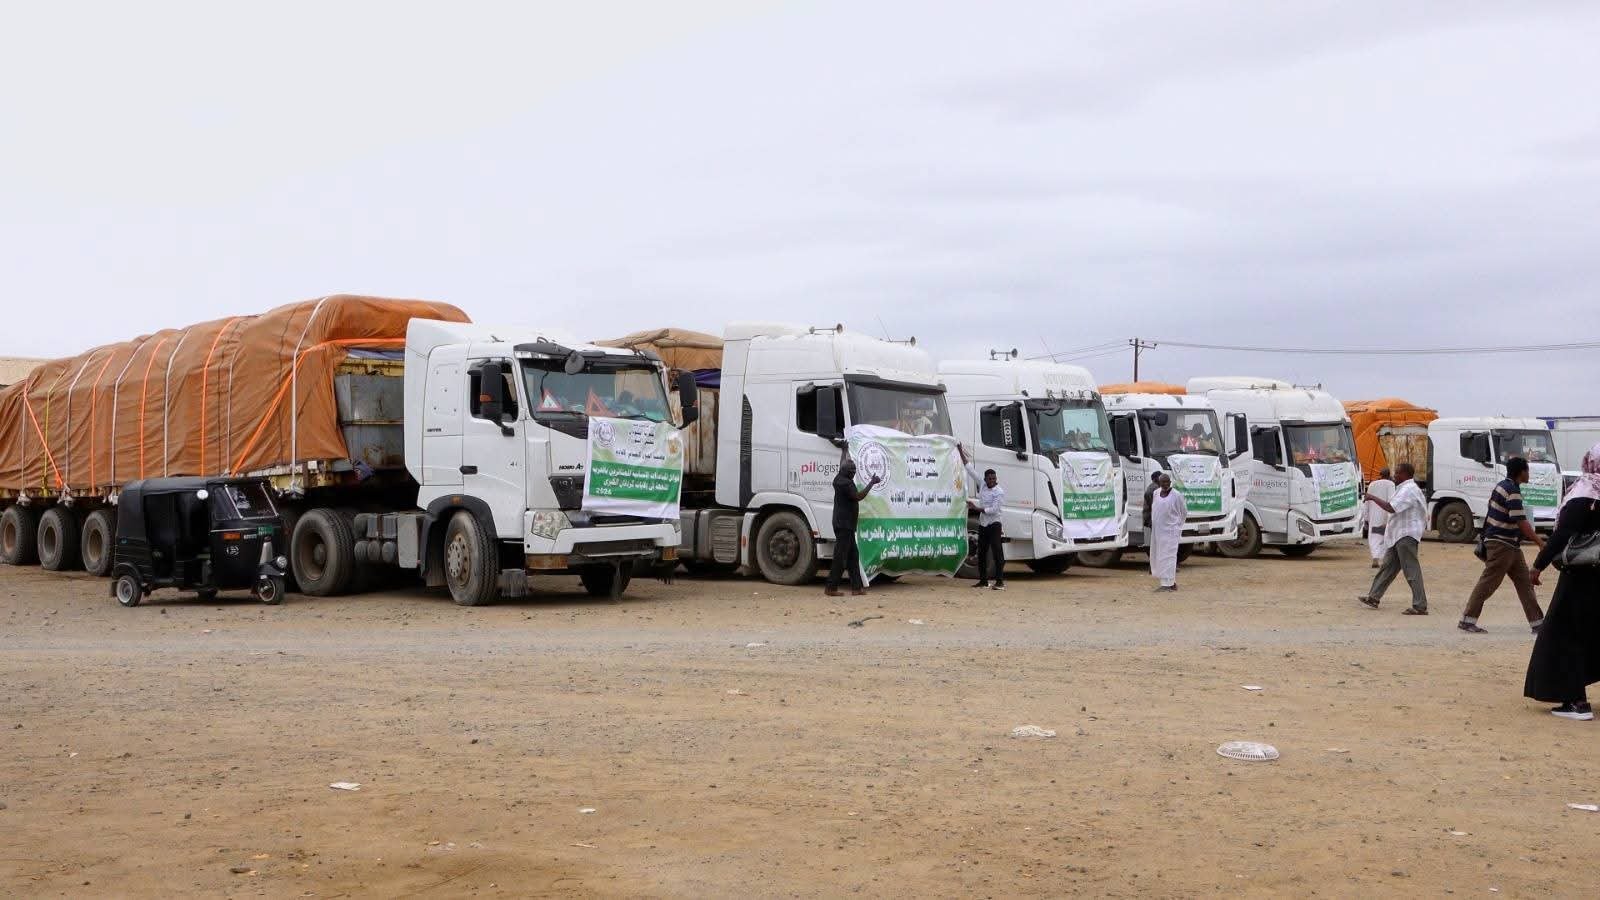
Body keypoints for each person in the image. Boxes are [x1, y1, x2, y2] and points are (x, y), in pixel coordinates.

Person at [1524, 443, 1600, 720]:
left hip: (1582, 577)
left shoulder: (1585, 493)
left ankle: (1576, 702)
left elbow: (1563, 534)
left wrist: (1538, 565)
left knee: (1566, 635)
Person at [1458, 456, 1546, 634]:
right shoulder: (1512, 491)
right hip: (1502, 544)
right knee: (1488, 583)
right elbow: (1521, 521)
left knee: (1524, 584)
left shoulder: (1502, 486)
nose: (1529, 474)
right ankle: (1467, 620)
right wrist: (1540, 542)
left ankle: (1538, 623)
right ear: (1521, 472)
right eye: (1527, 470)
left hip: (1507, 544)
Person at [1357, 462, 1429, 614]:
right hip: (1398, 535)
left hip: (1406, 535)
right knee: (1387, 568)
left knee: (1411, 570)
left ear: (1405, 474)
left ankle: (1420, 606)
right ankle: (1373, 597)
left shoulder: (1409, 490)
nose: (1394, 476)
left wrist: (1371, 497)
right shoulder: (1403, 488)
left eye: (1397, 473)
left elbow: (1391, 507)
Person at [824, 459, 881, 597]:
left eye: (854, 470)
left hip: (846, 525)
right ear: (846, 472)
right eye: (852, 471)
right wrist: (871, 483)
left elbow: (841, 463)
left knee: (853, 557)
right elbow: (858, 496)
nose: (854, 473)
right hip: (844, 525)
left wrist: (844, 450)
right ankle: (831, 588)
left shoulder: (839, 477)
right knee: (840, 557)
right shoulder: (845, 483)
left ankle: (856, 588)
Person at [958, 444, 1006, 590]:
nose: (991, 480)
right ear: (985, 479)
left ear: (996, 479)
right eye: (989, 478)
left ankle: (1000, 582)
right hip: (983, 524)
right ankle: (983, 581)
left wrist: (976, 508)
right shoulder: (983, 485)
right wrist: (960, 451)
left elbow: (993, 510)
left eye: (993, 478)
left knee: (997, 552)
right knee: (982, 552)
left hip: (995, 524)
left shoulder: (999, 492)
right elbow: (969, 469)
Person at [1148, 473, 1187, 592]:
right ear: (1159, 483)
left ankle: (1167, 584)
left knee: (1169, 557)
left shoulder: (1176, 495)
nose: (1165, 484)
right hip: (1158, 532)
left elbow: (1183, 512)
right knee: (1160, 556)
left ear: (1170, 482)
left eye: (1167, 482)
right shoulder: (1156, 493)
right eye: (1162, 482)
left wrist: (1177, 527)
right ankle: (1171, 582)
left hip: (1171, 532)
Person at [1357, 467, 1396, 568]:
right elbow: (1391, 501)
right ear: (1389, 475)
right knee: (1385, 537)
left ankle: (1375, 557)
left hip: (1374, 517)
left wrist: (1366, 518)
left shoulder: (1372, 484)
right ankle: (1384, 559)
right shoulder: (1390, 484)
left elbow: (1367, 502)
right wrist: (1390, 517)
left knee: (1374, 536)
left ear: (1380, 474)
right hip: (1386, 515)